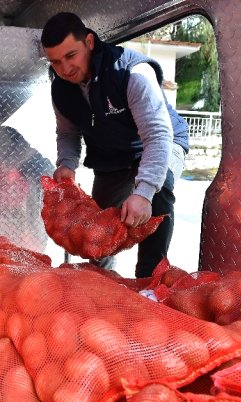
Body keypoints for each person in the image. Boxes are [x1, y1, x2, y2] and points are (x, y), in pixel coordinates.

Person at [41, 12, 189, 278]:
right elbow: (67, 133)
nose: (64, 69)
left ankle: (149, 282)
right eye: (55, 62)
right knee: (98, 228)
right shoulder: (60, 89)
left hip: (159, 142)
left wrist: (143, 193)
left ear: (89, 42)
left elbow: (157, 135)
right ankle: (102, 281)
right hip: (111, 157)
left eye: (71, 56)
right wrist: (66, 164)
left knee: (158, 196)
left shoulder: (132, 73)